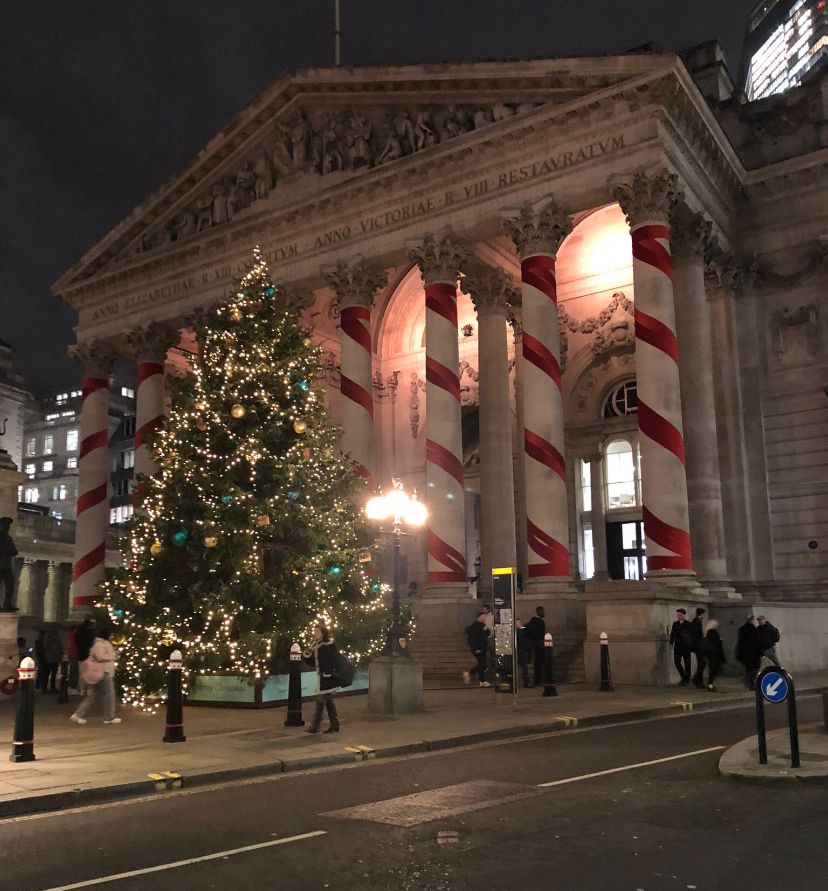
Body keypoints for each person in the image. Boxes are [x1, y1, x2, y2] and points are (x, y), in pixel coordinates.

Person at [70, 628, 121, 725]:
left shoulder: (100, 643)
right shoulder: (100, 644)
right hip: (103, 672)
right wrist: (113, 656)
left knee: (93, 695)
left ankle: (78, 714)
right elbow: (100, 656)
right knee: (109, 694)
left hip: (101, 672)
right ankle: (109, 717)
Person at [302, 623, 340, 734]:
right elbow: (313, 662)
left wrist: (329, 672)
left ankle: (315, 726)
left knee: (321, 701)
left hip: (326, 677)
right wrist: (307, 654)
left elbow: (333, 659)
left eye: (317, 632)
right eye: (314, 632)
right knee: (327, 701)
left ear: (323, 633)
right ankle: (334, 724)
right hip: (322, 677)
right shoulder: (316, 645)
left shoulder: (328, 645)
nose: (314, 634)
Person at [462, 611, 491, 688]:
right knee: (482, 664)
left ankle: (481, 681)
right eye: (482, 617)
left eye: (484, 617)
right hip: (478, 648)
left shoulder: (482, 625)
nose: (484, 618)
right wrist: (476, 648)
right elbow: (474, 639)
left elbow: (487, 634)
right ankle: (473, 675)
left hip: (482, 648)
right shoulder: (475, 626)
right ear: (478, 617)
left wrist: (486, 629)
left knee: (482, 664)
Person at [735, 615, 762, 690]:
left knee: (749, 668)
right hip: (754, 653)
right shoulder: (754, 629)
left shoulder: (742, 629)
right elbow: (757, 642)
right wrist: (760, 652)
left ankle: (749, 682)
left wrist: (740, 652)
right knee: (755, 667)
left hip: (745, 653)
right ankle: (751, 682)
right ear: (752, 620)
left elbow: (740, 642)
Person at [669, 608, 695, 686]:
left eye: (680, 614)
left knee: (687, 664)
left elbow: (692, 636)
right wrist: (671, 642)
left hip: (686, 646)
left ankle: (687, 680)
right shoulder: (675, 624)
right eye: (678, 614)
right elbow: (673, 634)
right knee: (677, 662)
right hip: (678, 646)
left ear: (684, 615)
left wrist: (691, 645)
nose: (678, 616)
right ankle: (683, 677)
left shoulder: (689, 624)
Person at [524, 606, 546, 686]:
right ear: (538, 612)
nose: (544, 613)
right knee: (538, 663)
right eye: (542, 611)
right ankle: (538, 680)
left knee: (539, 663)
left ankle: (538, 680)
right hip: (537, 645)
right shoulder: (535, 621)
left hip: (538, 645)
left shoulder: (535, 621)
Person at [701, 619, 726, 691]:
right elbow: (716, 643)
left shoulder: (708, 633)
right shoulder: (713, 632)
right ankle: (710, 684)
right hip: (714, 654)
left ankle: (711, 684)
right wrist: (720, 640)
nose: (717, 626)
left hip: (712, 654)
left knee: (714, 669)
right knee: (714, 669)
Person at [0, 517, 18, 611]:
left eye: (8, 526)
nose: (7, 528)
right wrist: (7, 551)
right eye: (6, 526)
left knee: (10, 585)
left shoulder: (9, 538)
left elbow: (15, 552)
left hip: (6, 566)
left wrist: (7, 551)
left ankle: (7, 604)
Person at [41, 627, 63, 693]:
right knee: (52, 673)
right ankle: (51, 687)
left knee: (47, 673)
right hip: (53, 657)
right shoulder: (56, 637)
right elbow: (59, 647)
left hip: (49, 657)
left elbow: (45, 646)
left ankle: (45, 688)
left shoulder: (47, 637)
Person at [691, 607, 706, 688]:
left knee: (702, 664)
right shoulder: (697, 622)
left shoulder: (696, 621)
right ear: (701, 614)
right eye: (703, 614)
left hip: (698, 646)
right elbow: (697, 636)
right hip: (698, 646)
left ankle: (698, 680)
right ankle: (697, 680)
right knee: (702, 664)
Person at [516, 619, 533, 688]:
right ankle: (526, 682)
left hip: (521, 651)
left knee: (524, 667)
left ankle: (527, 682)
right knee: (524, 667)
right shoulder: (518, 631)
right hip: (519, 650)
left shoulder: (522, 630)